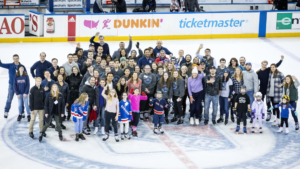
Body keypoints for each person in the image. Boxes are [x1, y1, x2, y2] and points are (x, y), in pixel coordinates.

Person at [256, 55, 284, 120]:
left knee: (268, 103)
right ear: (261, 64)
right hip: (262, 89)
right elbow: (256, 81)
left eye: (265, 64)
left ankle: (269, 114)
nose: (264, 65)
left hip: (269, 90)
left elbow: (276, 65)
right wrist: (257, 89)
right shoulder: (258, 72)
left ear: (267, 65)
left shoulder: (269, 69)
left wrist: (281, 60)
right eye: (263, 64)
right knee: (260, 102)